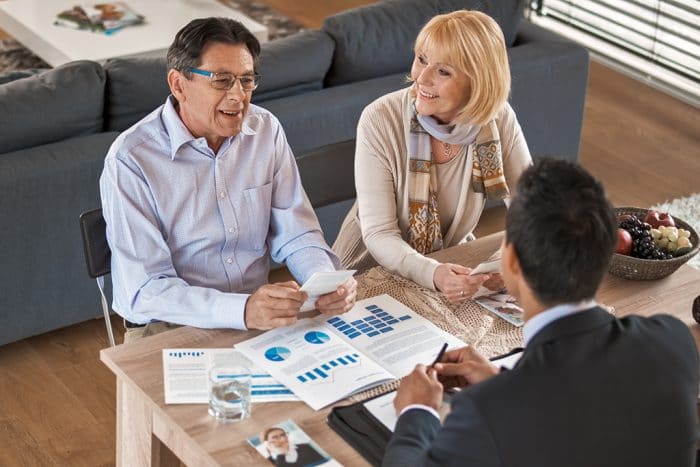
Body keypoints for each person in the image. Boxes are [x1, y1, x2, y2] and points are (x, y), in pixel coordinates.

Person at [382, 158, 699, 467]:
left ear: (512, 262)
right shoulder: (673, 340)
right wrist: (501, 383)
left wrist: (416, 412)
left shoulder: (486, 413)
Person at [100, 18, 356, 342]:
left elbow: (297, 233)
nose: (239, 96)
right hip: (169, 327)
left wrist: (326, 280)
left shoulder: (266, 130)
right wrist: (242, 310)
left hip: (255, 317)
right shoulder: (131, 159)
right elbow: (147, 289)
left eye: (247, 81)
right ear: (179, 84)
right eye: (222, 81)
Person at [332, 10, 531, 302]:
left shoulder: (498, 119)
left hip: (450, 260)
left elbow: (530, 205)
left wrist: (506, 263)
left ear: (478, 82)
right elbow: (379, 234)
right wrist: (434, 274)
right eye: (422, 59)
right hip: (365, 272)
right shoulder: (379, 118)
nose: (421, 79)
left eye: (443, 71)